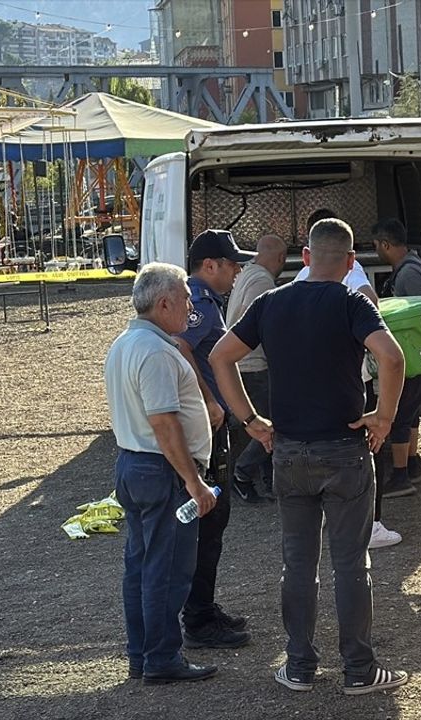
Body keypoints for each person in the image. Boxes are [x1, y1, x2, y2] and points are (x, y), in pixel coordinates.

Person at [209, 217, 411, 696]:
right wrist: (383, 417)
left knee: (298, 565)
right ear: (350, 261)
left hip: (289, 451)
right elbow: (393, 357)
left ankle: (299, 665)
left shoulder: (271, 302)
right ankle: (359, 668)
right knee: (351, 563)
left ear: (305, 257)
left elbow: (220, 357)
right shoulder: (353, 302)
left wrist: (251, 420)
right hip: (344, 450)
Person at [104, 262, 219, 685]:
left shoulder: (126, 343)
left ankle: (144, 655)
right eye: (186, 298)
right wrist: (193, 481)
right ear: (165, 303)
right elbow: (165, 423)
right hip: (161, 470)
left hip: (135, 464)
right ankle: (161, 657)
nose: (191, 306)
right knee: (166, 569)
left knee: (141, 565)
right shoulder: (154, 351)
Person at [172, 229, 257, 649]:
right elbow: (179, 345)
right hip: (205, 426)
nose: (238, 271)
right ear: (210, 265)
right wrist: (208, 400)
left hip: (209, 424)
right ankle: (199, 619)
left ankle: (203, 608)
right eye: (232, 264)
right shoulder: (200, 303)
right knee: (209, 520)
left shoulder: (203, 300)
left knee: (212, 521)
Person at [366, 217, 421, 548]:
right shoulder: (411, 267)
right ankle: (411, 465)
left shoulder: (409, 273)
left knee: (398, 415)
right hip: (418, 358)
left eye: (377, 246)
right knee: (409, 413)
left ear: (385, 244)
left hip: (415, 358)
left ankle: (399, 477)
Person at [226, 233, 289, 503]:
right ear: (281, 258)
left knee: (264, 420)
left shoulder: (247, 275)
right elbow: (257, 323)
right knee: (272, 425)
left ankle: (268, 481)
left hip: (242, 361)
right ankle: (241, 473)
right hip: (253, 364)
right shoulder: (263, 282)